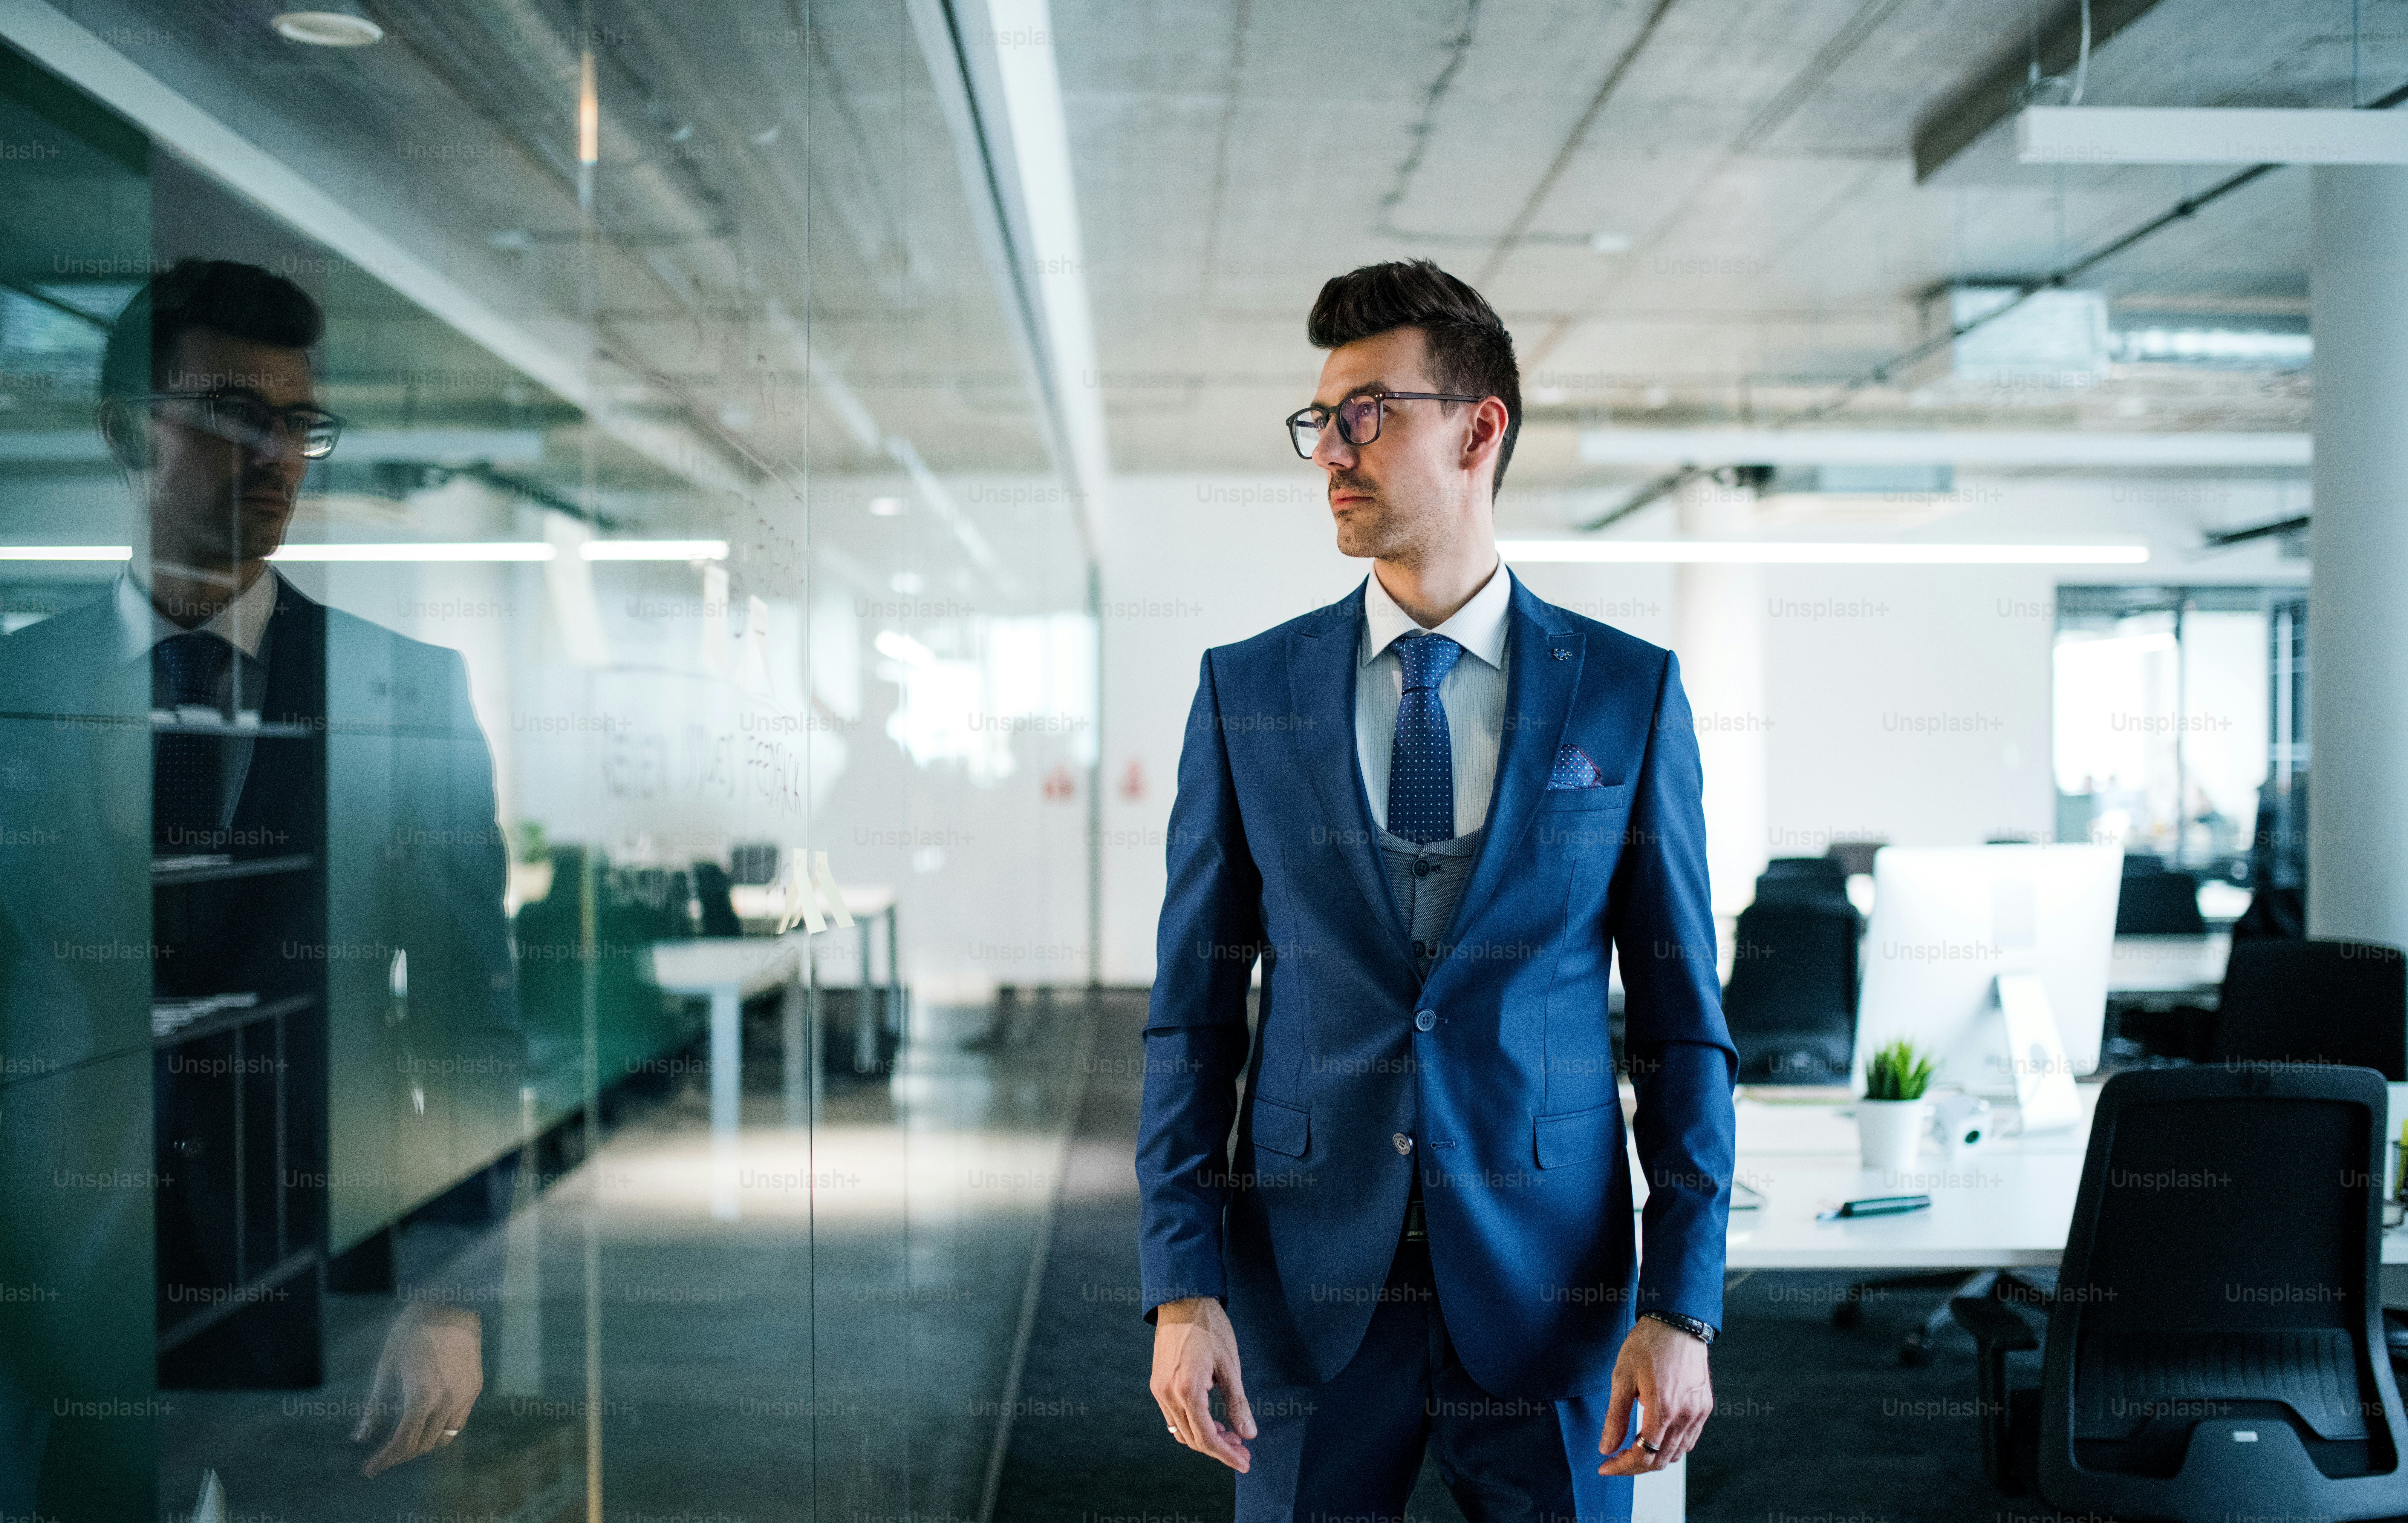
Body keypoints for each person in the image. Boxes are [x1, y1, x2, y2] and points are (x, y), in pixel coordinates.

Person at [1136, 260, 1736, 1522]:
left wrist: (1680, 1303)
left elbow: (1682, 1031)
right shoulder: (1248, 690)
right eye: (1319, 422)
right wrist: (1182, 1289)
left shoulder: (1626, 692)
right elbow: (1190, 1021)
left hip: (1551, 1299)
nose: (1330, 454)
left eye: (1366, 414)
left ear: (1478, 429)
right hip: (1300, 1295)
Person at [0, 258, 511, 1515]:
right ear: (128, 430)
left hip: (332, 1292)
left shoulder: (408, 692)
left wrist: (450, 1289)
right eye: (233, 413)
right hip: (59, 1303)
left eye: (298, 423)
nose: (276, 453)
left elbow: (466, 1020)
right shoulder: (16, 695)